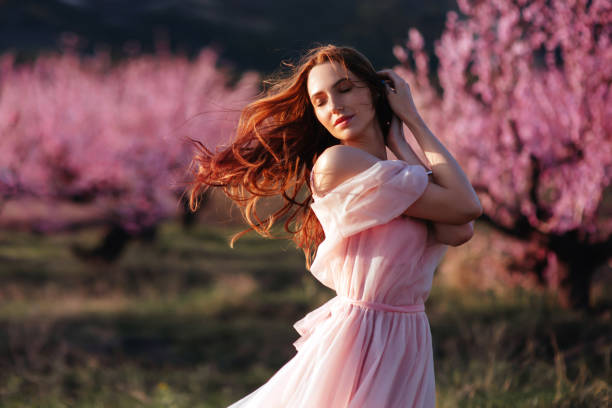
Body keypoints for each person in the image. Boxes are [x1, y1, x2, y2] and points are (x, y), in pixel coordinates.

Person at [187, 44, 482, 408]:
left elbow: (458, 228)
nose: (335, 107)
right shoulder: (338, 162)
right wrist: (416, 123)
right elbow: (466, 206)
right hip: (363, 336)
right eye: (320, 100)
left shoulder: (395, 176)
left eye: (344, 89)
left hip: (406, 335)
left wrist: (400, 140)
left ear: (375, 92)